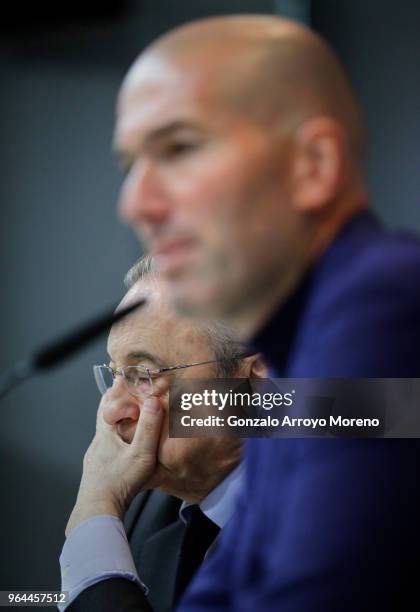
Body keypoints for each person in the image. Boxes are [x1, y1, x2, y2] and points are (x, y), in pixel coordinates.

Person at [66, 14, 420, 611]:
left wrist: (93, 515)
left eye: (179, 148)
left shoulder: (382, 307)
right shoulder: (302, 393)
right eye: (132, 164)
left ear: (312, 164)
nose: (136, 201)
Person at [61, 255, 266, 611]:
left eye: (144, 374)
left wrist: (94, 516)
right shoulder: (145, 509)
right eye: (114, 373)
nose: (111, 409)